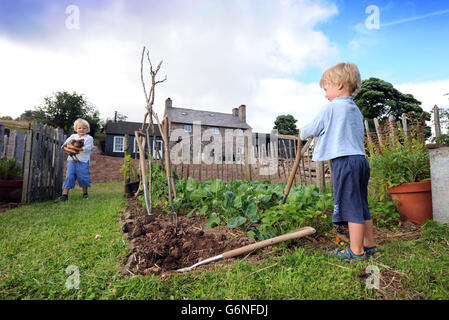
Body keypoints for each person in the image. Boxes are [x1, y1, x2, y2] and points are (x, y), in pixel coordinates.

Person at [299, 62, 379, 261]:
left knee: (351, 206)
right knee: (361, 204)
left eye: (326, 89)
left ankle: (356, 251)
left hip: (345, 162)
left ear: (339, 85)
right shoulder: (355, 110)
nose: (325, 94)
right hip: (360, 160)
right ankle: (370, 246)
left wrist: (302, 131)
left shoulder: (332, 108)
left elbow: (312, 129)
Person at [55, 118, 94, 202]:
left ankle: (85, 194)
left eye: (84, 128)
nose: (81, 129)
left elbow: (86, 149)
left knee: (83, 177)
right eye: (79, 128)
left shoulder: (89, 138)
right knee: (69, 176)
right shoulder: (73, 136)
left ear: (87, 129)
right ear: (76, 129)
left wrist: (72, 147)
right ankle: (64, 195)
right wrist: (71, 149)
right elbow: (64, 146)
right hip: (72, 160)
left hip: (83, 161)